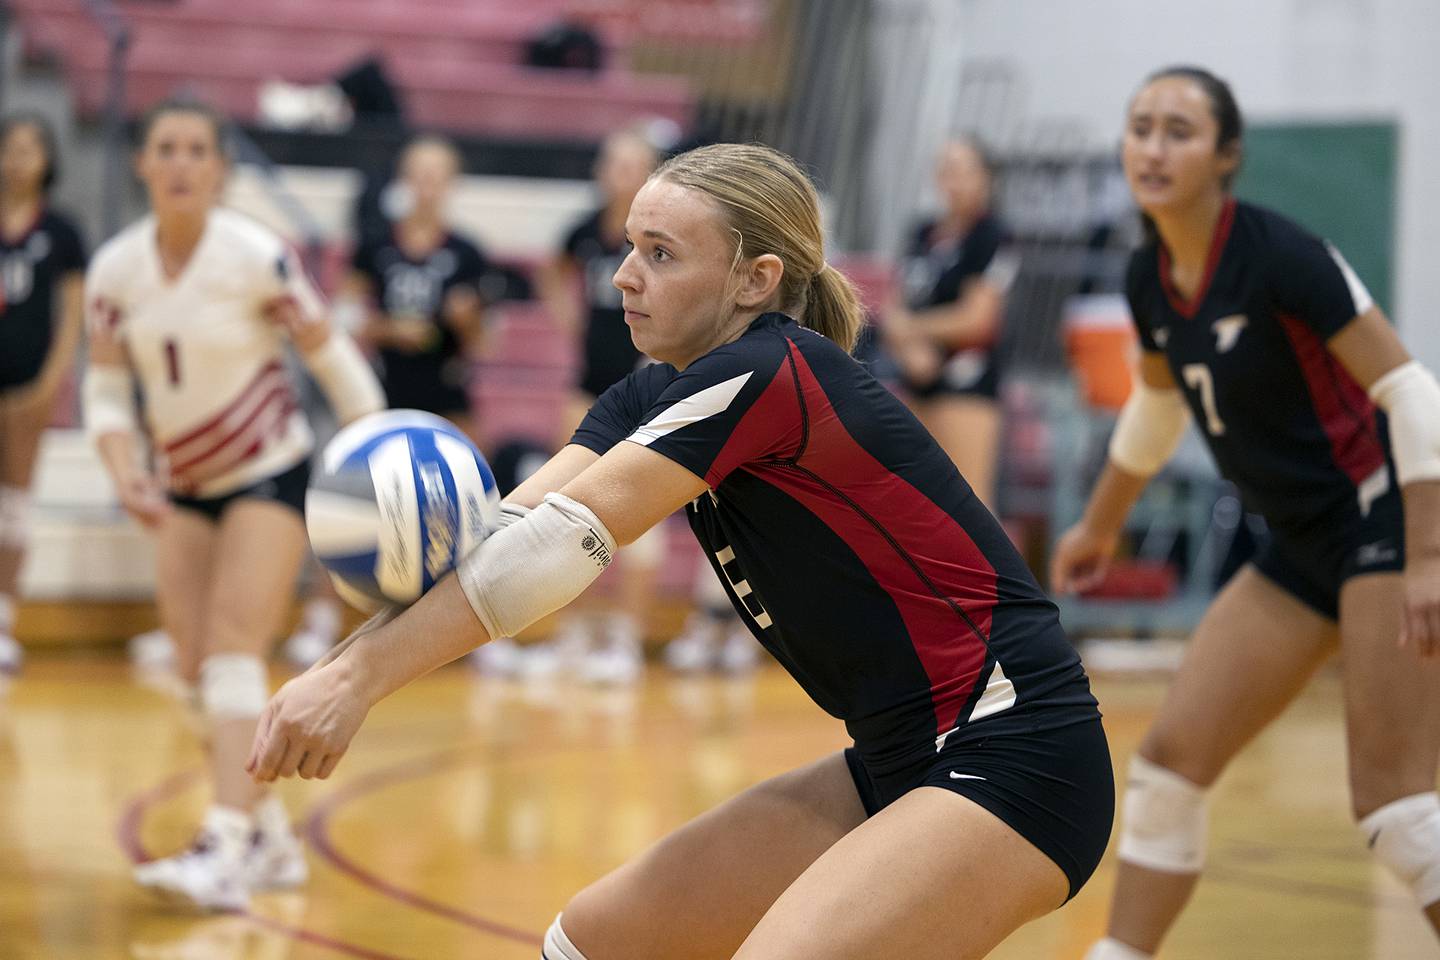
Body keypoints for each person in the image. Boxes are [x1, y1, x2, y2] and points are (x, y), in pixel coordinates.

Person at [248, 142, 1114, 960]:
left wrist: (356, 683)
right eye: (630, 246)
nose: (624, 275)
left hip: (1018, 754)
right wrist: (338, 667)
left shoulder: (774, 371)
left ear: (754, 280)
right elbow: (505, 536)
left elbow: (555, 549)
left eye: (661, 254)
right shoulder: (651, 392)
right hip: (895, 759)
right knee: (592, 942)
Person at [1054, 67, 1440, 960]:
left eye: (1179, 130)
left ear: (1226, 155)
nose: (1153, 147)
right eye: (1140, 126)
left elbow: (1413, 393)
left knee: (1399, 811)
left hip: (1383, 525)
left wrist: (1427, 558)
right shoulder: (1149, 273)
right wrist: (1102, 525)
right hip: (1299, 546)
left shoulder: (1280, 254)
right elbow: (1157, 407)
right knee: (1167, 770)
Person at [83, 99, 384, 911]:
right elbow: (107, 390)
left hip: (269, 474)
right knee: (190, 670)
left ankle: (222, 840)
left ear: (219, 169)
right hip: (183, 485)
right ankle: (270, 837)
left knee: (230, 647)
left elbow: (332, 359)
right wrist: (121, 469)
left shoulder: (257, 256)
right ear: (143, 165)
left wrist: (377, 451)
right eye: (165, 148)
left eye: (196, 150)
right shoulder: (116, 271)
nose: (181, 163)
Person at [526, 128, 665, 684]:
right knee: (570, 508)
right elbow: (549, 270)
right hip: (588, 386)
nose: (620, 174)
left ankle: (627, 641)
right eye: (613, 163)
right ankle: (571, 638)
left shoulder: (663, 237)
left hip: (649, 384)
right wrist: (569, 318)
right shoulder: (585, 230)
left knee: (641, 515)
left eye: (633, 164)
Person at [882, 137, 1018, 510]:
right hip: (917, 378)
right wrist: (908, 347)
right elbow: (894, 305)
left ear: (986, 178)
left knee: (970, 505)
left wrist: (912, 331)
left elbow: (977, 318)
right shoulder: (923, 232)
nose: (953, 179)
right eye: (946, 169)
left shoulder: (991, 235)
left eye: (963, 170)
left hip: (966, 383)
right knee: (913, 503)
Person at [0, 113, 87, 676]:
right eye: (10, 147)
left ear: (48, 160)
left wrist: (51, 382)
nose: (18, 158)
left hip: (27, 387)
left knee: (13, 505)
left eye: (31, 148)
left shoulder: (61, 230)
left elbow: (74, 314)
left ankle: (3, 619)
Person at [348, 134, 488, 440]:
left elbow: (485, 341)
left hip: (445, 389)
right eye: (420, 172)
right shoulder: (374, 245)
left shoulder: (468, 253)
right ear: (404, 179)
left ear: (452, 182)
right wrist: (389, 329)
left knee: (468, 472)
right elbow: (343, 318)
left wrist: (467, 322)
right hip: (382, 387)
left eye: (437, 174)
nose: (428, 182)